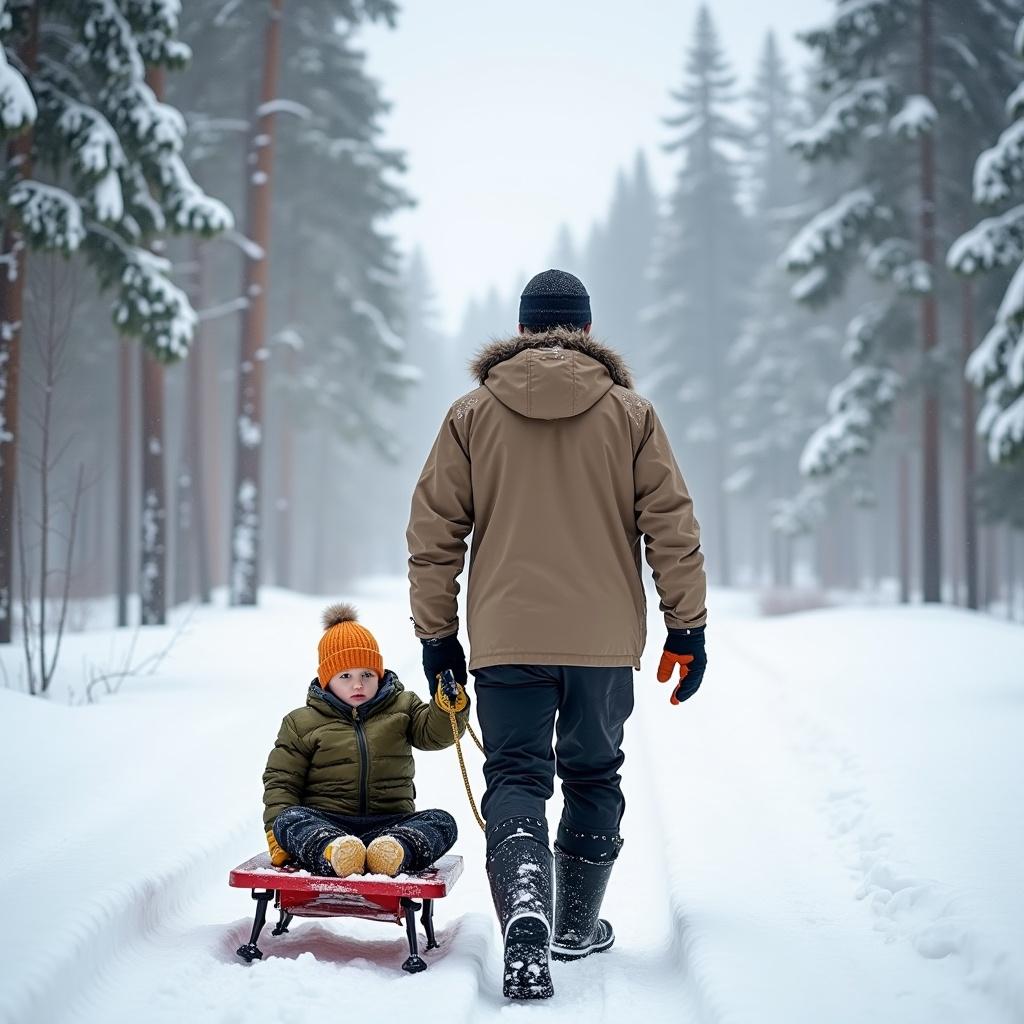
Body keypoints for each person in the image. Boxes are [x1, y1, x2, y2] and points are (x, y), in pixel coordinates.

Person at [406, 268, 708, 1000]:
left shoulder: (470, 415)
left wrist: (437, 636)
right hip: (603, 643)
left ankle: (527, 908)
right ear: (589, 331)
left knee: (515, 776)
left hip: (507, 639)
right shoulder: (631, 415)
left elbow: (432, 533)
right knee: (594, 774)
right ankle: (574, 923)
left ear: (519, 331)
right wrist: (686, 627)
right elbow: (672, 527)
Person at [262, 603, 470, 878]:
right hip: (327, 823)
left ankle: (394, 851)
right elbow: (282, 780)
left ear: (379, 674)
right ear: (327, 679)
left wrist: (447, 707)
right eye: (345, 676)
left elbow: (436, 734)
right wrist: (277, 832)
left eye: (367, 675)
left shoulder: (402, 706)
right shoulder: (301, 722)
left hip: (390, 824)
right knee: (288, 820)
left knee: (442, 822)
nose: (358, 685)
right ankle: (333, 851)